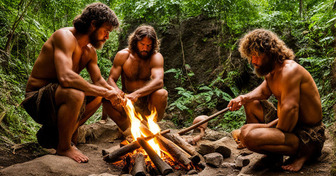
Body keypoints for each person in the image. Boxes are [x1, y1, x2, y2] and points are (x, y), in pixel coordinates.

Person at [21, 3, 122, 163]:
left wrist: (115, 94)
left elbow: (98, 80)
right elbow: (66, 77)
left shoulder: (89, 51)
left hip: (59, 96)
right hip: (37, 100)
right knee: (76, 92)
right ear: (93, 24)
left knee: (98, 97)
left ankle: (57, 134)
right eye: (106, 31)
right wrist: (104, 91)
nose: (107, 37)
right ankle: (64, 146)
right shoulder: (64, 37)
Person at [227, 29, 325, 172]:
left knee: (250, 137)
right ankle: (273, 152)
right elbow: (263, 91)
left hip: (308, 135)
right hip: (288, 125)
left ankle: (306, 153)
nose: (253, 61)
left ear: (269, 52)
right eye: (251, 57)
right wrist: (242, 98)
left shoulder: (289, 71)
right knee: (248, 114)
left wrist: (262, 131)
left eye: (256, 56)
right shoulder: (272, 72)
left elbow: (289, 116)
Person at [102, 25, 168, 134]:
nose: (145, 48)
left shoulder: (156, 57)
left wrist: (137, 94)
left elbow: (159, 81)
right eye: (142, 44)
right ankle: (126, 127)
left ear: (153, 45)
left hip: (146, 100)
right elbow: (111, 79)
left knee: (162, 93)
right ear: (135, 41)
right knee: (105, 96)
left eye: (149, 45)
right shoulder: (123, 55)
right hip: (126, 100)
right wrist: (118, 92)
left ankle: (149, 125)